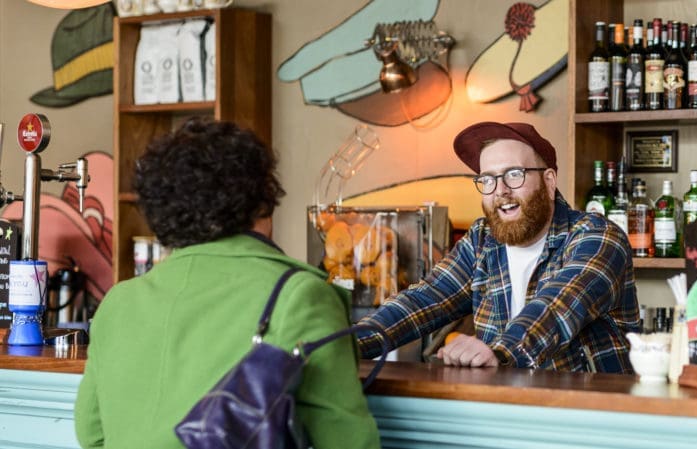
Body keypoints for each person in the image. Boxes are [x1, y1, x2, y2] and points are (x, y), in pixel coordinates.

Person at [74, 118, 379, 449]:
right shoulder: (300, 296)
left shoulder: (119, 302)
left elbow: (92, 435)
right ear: (263, 201)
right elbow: (348, 441)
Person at [357, 121, 640, 372]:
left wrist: (499, 351)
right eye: (488, 179)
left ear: (549, 181)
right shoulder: (483, 240)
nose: (500, 190)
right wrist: (347, 344)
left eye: (514, 174)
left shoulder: (597, 236)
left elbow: (557, 306)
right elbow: (423, 300)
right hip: (506, 413)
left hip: (592, 418)